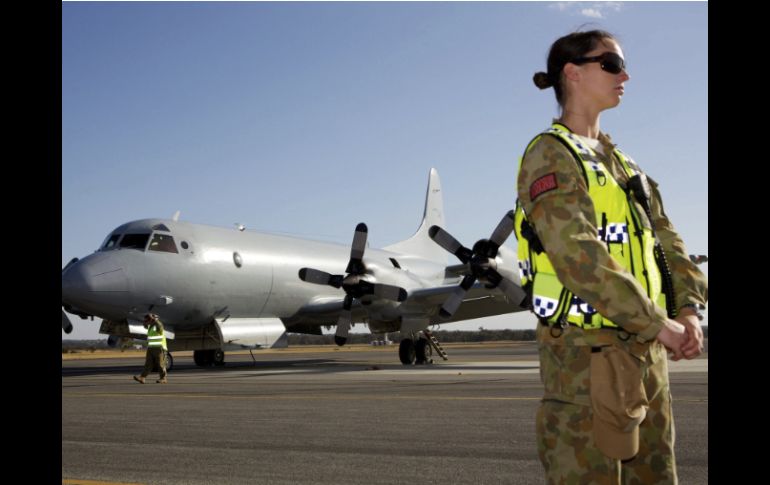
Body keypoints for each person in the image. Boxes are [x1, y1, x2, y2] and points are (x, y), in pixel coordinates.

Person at [512, 30, 707, 484]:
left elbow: (668, 243)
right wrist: (662, 325)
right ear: (573, 73)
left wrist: (690, 312)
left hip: (648, 355)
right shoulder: (550, 155)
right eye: (613, 64)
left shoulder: (625, 166)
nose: (626, 75)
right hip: (588, 360)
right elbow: (579, 256)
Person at [133, 313, 168, 384]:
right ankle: (142, 377)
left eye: (149, 319)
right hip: (151, 347)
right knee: (148, 364)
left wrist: (155, 320)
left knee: (160, 364)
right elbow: (145, 326)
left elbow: (160, 330)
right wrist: (145, 322)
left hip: (159, 347)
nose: (147, 321)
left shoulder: (158, 324)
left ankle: (163, 378)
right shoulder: (150, 326)